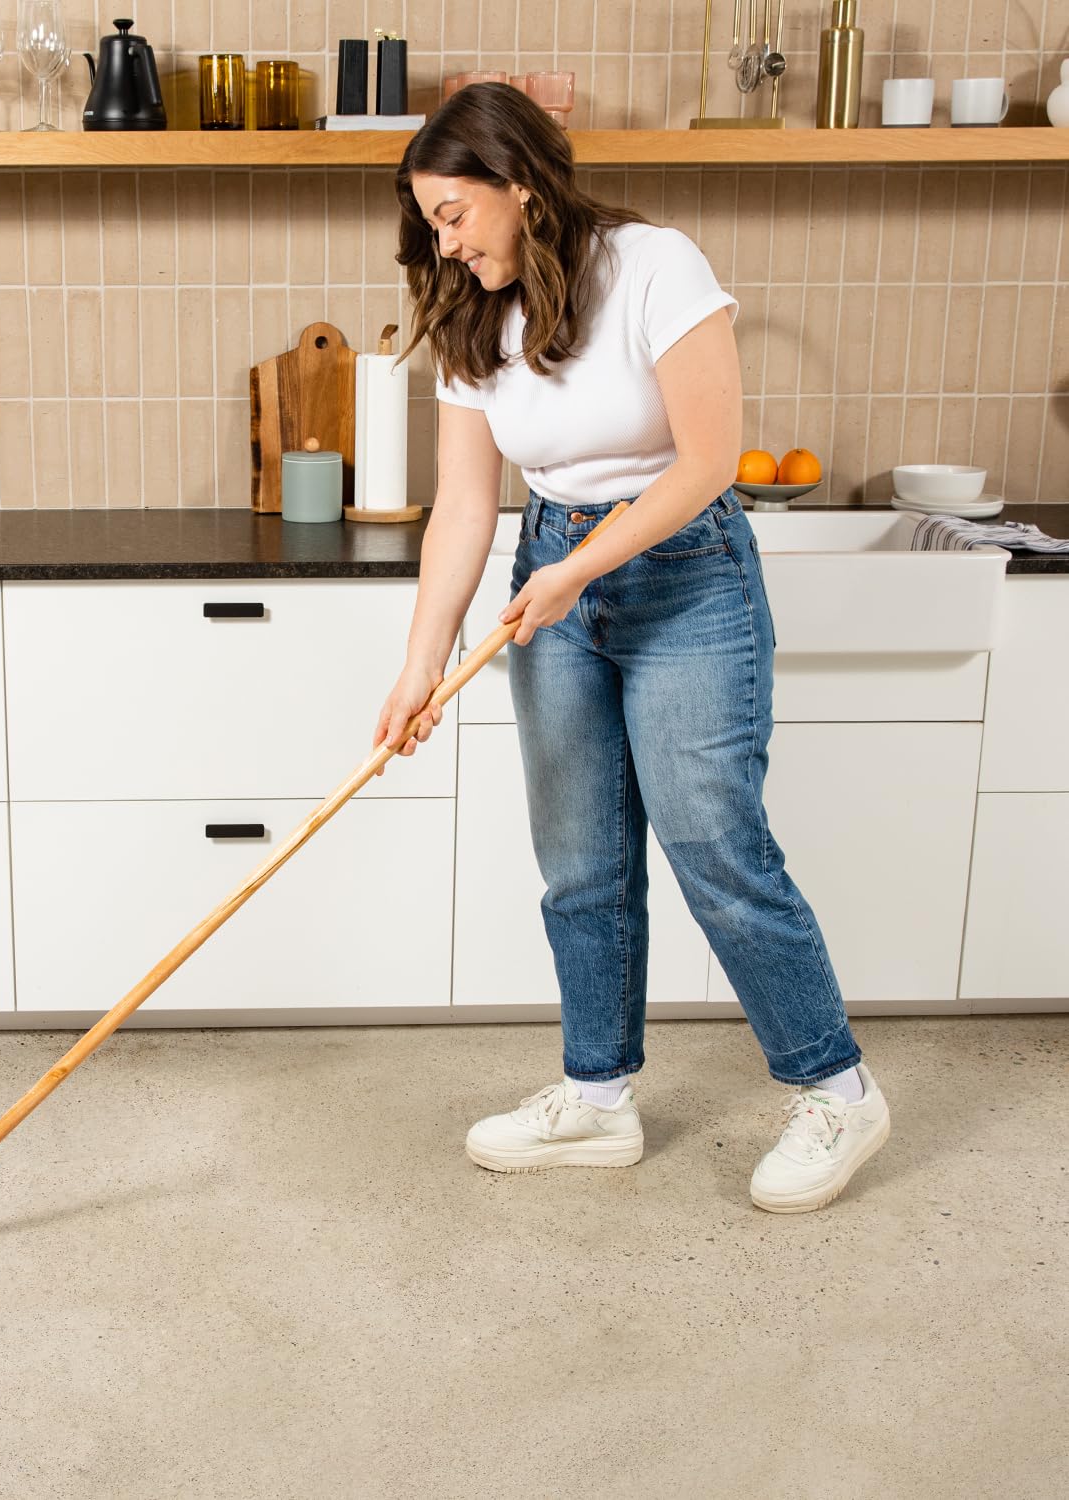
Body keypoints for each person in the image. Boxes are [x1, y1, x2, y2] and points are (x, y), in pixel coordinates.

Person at [373, 83, 890, 1214]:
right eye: (432, 224)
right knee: (581, 863)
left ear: (520, 185)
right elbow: (465, 508)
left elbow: (710, 460)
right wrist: (421, 662)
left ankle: (838, 1090)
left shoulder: (655, 265)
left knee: (716, 845)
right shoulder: (473, 316)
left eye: (457, 214)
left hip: (683, 574)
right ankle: (597, 1099)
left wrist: (577, 569)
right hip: (554, 574)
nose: (446, 244)